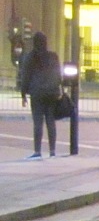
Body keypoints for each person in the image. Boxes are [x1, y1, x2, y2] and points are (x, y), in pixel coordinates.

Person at [17, 31, 62, 159]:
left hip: (37, 93)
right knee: (50, 121)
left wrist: (23, 94)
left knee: (38, 122)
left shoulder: (30, 57)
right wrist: (57, 88)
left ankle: (37, 151)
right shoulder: (53, 56)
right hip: (51, 93)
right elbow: (58, 75)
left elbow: (25, 77)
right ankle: (52, 150)